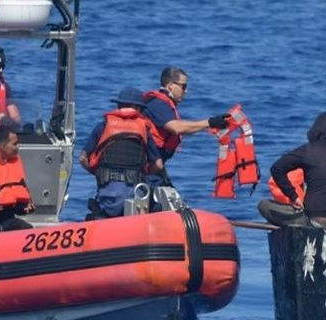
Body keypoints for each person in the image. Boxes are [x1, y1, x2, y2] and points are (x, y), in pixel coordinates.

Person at [263, 113, 326, 229]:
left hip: (316, 219)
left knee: (264, 205)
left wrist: (293, 196)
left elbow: (277, 168)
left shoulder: (309, 150)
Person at [79, 88, 163, 219]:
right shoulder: (144, 129)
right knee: (156, 205)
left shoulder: (103, 126)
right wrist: (143, 173)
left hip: (106, 199)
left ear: (119, 106)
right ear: (137, 108)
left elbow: (82, 158)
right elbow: (158, 165)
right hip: (133, 195)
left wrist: (98, 172)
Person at [142, 66, 230, 184]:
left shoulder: (164, 104)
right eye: (184, 87)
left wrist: (210, 126)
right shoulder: (158, 104)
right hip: (147, 169)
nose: (186, 91)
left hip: (155, 167)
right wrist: (210, 123)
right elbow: (176, 128)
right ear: (171, 86)